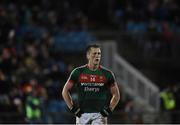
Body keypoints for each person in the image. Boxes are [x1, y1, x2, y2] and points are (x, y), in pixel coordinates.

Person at [62, 44, 120, 124]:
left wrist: (108, 110)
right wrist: (72, 108)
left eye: (99, 54)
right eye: (94, 53)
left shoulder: (107, 74)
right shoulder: (78, 72)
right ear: (88, 56)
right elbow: (65, 91)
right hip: (82, 114)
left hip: (100, 115)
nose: (97, 56)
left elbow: (116, 95)